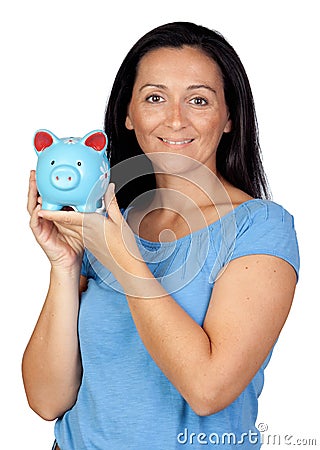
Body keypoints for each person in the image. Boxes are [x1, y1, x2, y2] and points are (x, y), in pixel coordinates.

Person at [22, 22, 300, 449]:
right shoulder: (110, 220)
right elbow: (47, 399)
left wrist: (125, 262)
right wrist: (65, 265)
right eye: (154, 97)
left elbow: (208, 389)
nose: (175, 119)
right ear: (128, 115)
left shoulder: (260, 226)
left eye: (198, 100)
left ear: (229, 118)